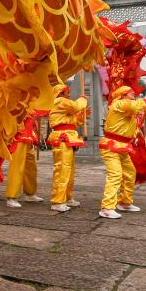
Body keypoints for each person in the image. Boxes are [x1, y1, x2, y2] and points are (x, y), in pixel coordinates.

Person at [98, 86, 146, 219]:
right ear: (124, 95)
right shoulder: (119, 103)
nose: (134, 94)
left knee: (130, 172)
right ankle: (107, 208)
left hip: (122, 146)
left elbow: (132, 129)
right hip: (110, 146)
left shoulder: (127, 110)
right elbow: (134, 107)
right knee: (115, 174)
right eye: (132, 93)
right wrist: (144, 103)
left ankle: (124, 202)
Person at [47, 85, 87, 213]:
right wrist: (82, 100)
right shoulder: (59, 101)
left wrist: (80, 116)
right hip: (62, 138)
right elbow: (75, 106)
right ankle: (58, 201)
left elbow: (74, 121)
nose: (69, 94)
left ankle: (67, 197)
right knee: (62, 170)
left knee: (69, 170)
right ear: (60, 93)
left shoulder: (63, 105)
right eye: (67, 92)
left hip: (68, 137)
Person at [5, 111, 43, 208]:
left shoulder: (31, 102)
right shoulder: (18, 100)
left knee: (31, 168)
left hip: (28, 137)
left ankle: (30, 193)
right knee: (17, 167)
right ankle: (11, 197)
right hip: (19, 137)